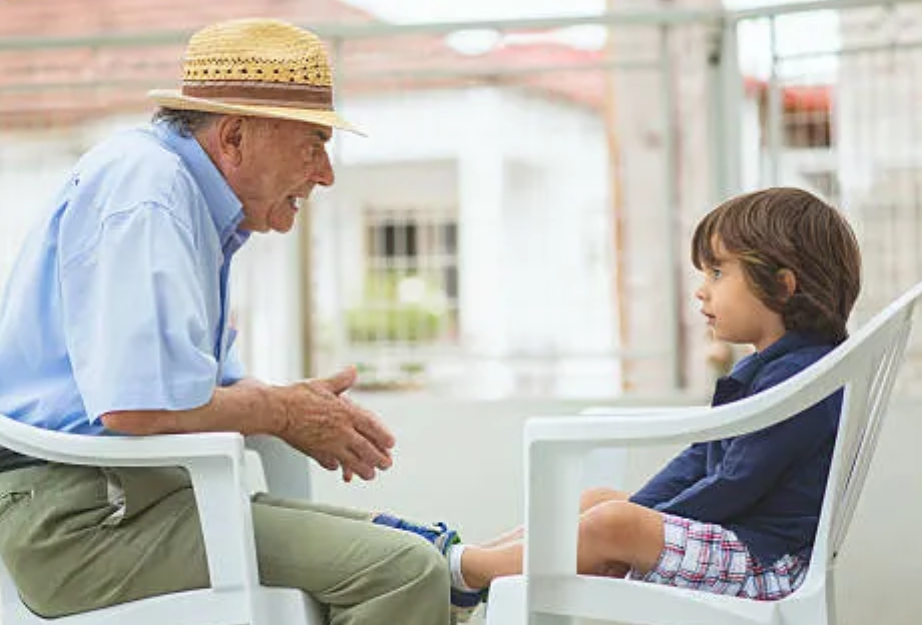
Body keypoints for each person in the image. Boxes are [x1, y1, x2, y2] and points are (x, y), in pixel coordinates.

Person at [0, 17, 476, 625]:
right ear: (234, 137)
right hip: (85, 521)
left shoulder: (188, 201)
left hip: (140, 500)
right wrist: (283, 412)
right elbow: (137, 408)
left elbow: (211, 390)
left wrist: (299, 407)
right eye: (313, 144)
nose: (325, 172)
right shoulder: (150, 190)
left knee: (421, 557)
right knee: (401, 573)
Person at [404, 187, 862, 611]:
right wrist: (643, 517)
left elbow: (735, 482)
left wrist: (635, 536)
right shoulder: (773, 368)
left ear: (782, 286)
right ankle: (472, 560)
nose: (701, 289)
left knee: (615, 524)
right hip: (740, 543)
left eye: (718, 272)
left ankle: (465, 570)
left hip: (767, 564)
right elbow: (700, 460)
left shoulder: (802, 379)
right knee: (600, 502)